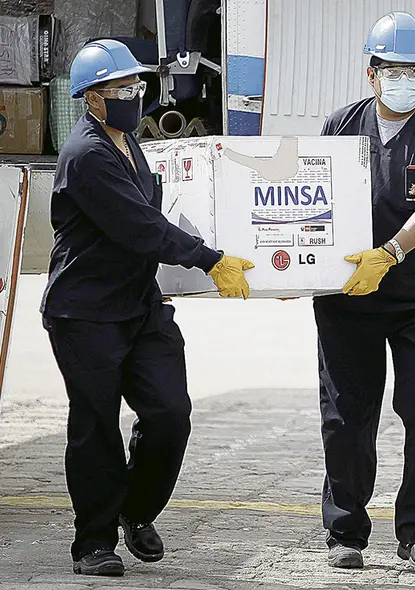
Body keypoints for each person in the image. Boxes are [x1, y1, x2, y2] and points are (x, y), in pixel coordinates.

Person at [43, 39, 254, 576]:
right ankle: (93, 542)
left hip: (139, 305)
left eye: (137, 87)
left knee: (169, 413)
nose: (134, 96)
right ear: (91, 98)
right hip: (85, 312)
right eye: (121, 89)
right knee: (94, 425)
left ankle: (135, 511)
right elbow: (141, 227)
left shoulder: (128, 141)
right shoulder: (88, 155)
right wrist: (209, 260)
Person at [313, 12, 415, 573]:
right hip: (346, 297)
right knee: (347, 411)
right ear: (371, 72)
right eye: (393, 69)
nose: (405, 80)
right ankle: (346, 531)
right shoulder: (338, 125)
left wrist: (392, 254)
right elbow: (310, 203)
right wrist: (294, 269)